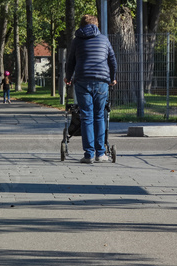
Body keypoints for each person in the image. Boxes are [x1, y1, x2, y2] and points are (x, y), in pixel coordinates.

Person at [65, 15, 117, 164]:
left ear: (81, 25)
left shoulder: (77, 40)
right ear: (97, 25)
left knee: (86, 116)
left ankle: (88, 154)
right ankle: (100, 153)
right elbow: (112, 60)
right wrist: (112, 78)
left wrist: (68, 77)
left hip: (82, 79)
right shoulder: (104, 39)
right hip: (101, 80)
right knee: (99, 115)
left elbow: (71, 62)